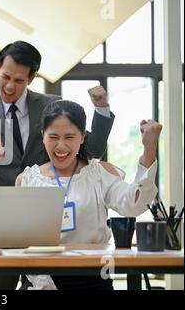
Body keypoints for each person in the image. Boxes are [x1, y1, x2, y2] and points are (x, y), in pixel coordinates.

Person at [0, 41, 115, 290]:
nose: (10, 86)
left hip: (50, 215)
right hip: (6, 218)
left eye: (19, 80)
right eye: (6, 76)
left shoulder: (50, 105)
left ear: (31, 79)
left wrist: (102, 109)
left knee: (46, 279)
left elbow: (92, 149)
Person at [16, 100, 161, 290]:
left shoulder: (98, 174)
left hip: (94, 277)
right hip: (41, 278)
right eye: (53, 137)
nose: (61, 146)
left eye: (69, 137)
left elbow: (133, 204)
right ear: (43, 136)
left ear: (82, 137)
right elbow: (19, 240)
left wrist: (149, 149)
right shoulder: (28, 180)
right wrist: (44, 284)